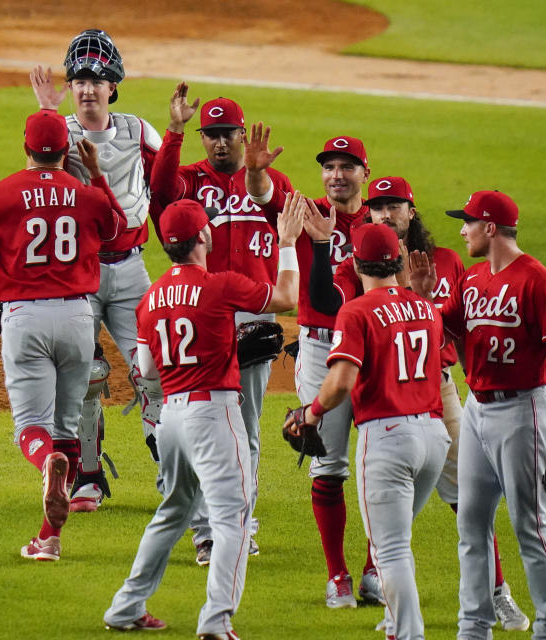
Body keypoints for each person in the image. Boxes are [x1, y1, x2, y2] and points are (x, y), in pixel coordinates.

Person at [307, 177, 530, 629]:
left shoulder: (448, 262)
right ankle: (371, 593)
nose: (386, 214)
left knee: (466, 498)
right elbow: (334, 302)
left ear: (412, 211)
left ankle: (490, 593)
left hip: (429, 393)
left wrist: (310, 410)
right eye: (378, 208)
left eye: (394, 207)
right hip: (405, 402)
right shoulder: (357, 275)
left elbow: (467, 325)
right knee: (371, 501)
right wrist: (420, 303)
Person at [103, 196, 302, 639]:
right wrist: (286, 242)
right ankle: (216, 620)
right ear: (204, 237)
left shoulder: (150, 297)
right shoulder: (222, 284)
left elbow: (148, 372)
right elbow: (287, 297)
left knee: (173, 510)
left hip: (170, 416)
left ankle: (126, 606)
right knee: (232, 515)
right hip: (213, 413)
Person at [0, 109, 127, 561]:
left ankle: (45, 462)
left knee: (32, 429)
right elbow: (117, 229)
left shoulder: (0, 193)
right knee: (66, 430)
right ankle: (48, 539)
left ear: (25, 146)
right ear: (66, 151)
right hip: (77, 319)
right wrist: (99, 176)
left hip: (25, 317)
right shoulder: (86, 194)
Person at [412, 190, 546, 638]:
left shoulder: (538, 280)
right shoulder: (472, 279)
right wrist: (423, 298)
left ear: (490, 228)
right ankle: (474, 626)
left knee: (529, 523)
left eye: (468, 221)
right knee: (471, 522)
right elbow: (443, 325)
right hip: (476, 410)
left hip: (524, 410)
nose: (462, 229)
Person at [148, 84, 294, 561]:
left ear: (241, 133)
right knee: (199, 428)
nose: (220, 142)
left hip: (251, 313)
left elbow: (277, 206)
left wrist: (257, 176)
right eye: (211, 135)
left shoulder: (273, 181)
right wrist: (173, 132)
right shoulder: (190, 180)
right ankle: (207, 531)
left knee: (245, 431)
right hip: (200, 311)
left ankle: (240, 525)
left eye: (228, 133)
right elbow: (162, 192)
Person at [285, 222, 450, 640]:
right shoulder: (426, 306)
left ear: (356, 262)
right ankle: (396, 621)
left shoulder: (356, 310)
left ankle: (406, 633)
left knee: (388, 549)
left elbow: (340, 381)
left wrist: (312, 412)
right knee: (398, 541)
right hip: (434, 437)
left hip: (389, 438)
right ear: (397, 260)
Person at [29, 29, 163, 510]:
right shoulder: (57, 132)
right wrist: (46, 110)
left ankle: (169, 466)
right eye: (80, 78)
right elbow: (37, 188)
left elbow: (163, 188)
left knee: (151, 369)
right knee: (82, 375)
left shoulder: (141, 133)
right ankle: (86, 476)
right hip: (78, 275)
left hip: (131, 270)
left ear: (114, 87)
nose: (88, 87)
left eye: (98, 79)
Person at [246, 132, 381, 607]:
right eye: (329, 166)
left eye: (347, 166)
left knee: (382, 462)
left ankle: (374, 570)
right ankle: (338, 575)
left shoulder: (380, 216)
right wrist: (257, 169)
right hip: (322, 348)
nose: (337, 175)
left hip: (376, 346)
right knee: (328, 461)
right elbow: (263, 193)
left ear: (365, 171)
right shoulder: (301, 211)